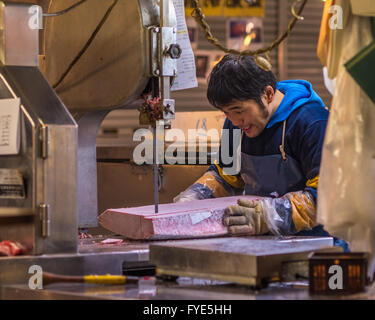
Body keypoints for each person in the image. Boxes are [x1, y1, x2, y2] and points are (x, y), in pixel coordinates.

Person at [174, 54, 348, 250]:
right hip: (263, 245)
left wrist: (270, 215)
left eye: (238, 111)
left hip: (318, 249)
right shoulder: (236, 125)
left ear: (268, 94)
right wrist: (193, 198)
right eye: (227, 113)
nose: (234, 122)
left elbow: (329, 197)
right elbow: (226, 176)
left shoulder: (313, 123)